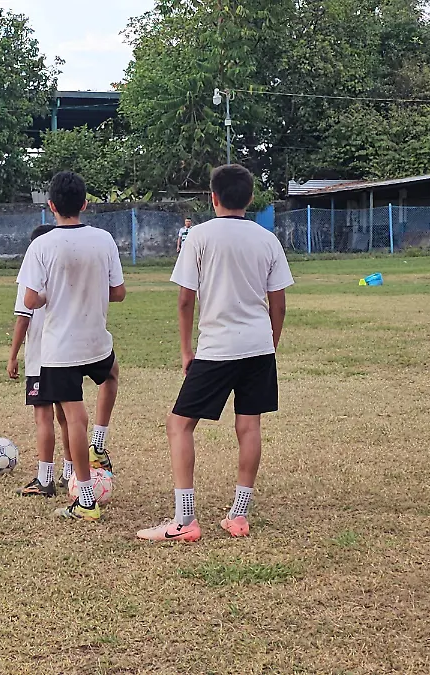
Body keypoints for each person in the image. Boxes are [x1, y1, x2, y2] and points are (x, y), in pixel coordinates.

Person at [136, 163, 293, 543]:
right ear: (251, 198)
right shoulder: (267, 239)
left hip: (217, 347)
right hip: (257, 346)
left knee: (179, 424)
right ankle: (238, 516)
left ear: (213, 197)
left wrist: (186, 349)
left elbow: (186, 300)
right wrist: (269, 344)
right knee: (249, 425)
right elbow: (279, 303)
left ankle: (185, 519)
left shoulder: (199, 237)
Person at [17, 171, 124, 522]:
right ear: (85, 203)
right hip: (96, 339)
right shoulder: (104, 239)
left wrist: (56, 292)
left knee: (73, 416)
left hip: (60, 347)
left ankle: (86, 500)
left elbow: (30, 300)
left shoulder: (42, 245)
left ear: (51, 206)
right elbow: (119, 292)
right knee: (111, 375)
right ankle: (100, 440)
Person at [9, 225, 72, 497]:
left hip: (41, 355)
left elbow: (24, 317)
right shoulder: (66, 273)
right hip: (68, 352)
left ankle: (44, 479)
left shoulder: (31, 276)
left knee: (43, 415)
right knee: (67, 415)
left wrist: (12, 356)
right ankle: (71, 471)